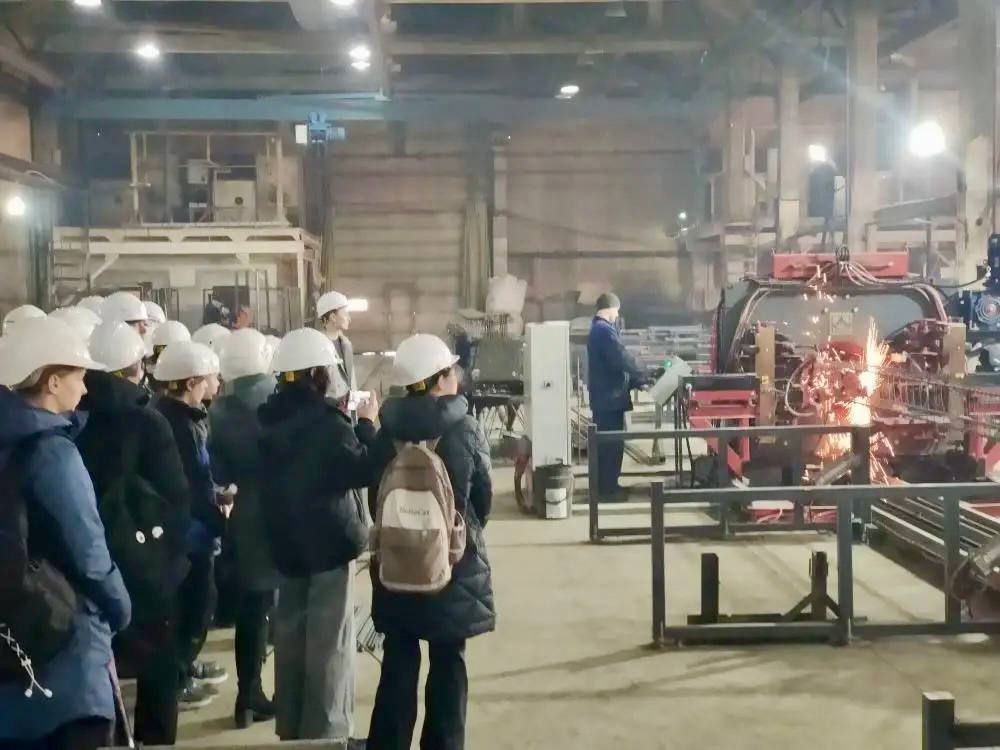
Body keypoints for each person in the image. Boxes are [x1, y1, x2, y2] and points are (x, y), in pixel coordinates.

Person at [0, 317, 132, 750]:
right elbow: (89, 553)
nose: (86, 386)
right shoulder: (53, 454)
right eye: (79, 375)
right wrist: (120, 608)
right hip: (66, 660)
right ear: (52, 382)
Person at [367, 333, 495, 750]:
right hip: (451, 568)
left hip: (396, 565)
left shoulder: (386, 431)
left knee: (398, 661)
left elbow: (375, 496)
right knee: (448, 662)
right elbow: (482, 500)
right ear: (440, 380)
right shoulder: (465, 428)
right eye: (451, 370)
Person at [258, 327, 379, 744]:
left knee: (291, 638)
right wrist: (367, 425)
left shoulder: (267, 419)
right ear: (317, 374)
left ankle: (292, 728)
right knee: (330, 645)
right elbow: (364, 468)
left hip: (285, 546)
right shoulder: (328, 425)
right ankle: (328, 734)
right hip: (327, 546)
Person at [75, 321, 191, 745]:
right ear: (135, 367)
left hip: (88, 562)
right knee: (159, 667)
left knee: (99, 665)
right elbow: (177, 498)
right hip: (147, 564)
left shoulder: (72, 419)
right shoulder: (148, 422)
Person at [154, 341, 231, 710]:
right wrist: (219, 521)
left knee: (194, 605)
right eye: (211, 376)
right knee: (194, 606)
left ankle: (183, 668)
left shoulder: (179, 416)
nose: (217, 381)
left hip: (189, 527)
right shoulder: (179, 426)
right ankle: (177, 680)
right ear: (191, 382)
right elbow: (189, 486)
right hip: (188, 533)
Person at [208, 329, 279, 728]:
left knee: (252, 611)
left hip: (244, 516)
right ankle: (290, 692)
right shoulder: (278, 400)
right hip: (282, 513)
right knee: (287, 610)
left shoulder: (220, 411)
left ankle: (247, 696)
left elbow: (219, 473)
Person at [586, 292, 649, 502]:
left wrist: (635, 381)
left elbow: (614, 366)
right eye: (617, 311)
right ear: (611, 309)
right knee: (610, 446)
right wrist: (643, 374)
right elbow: (620, 358)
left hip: (607, 398)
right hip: (609, 400)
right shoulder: (604, 331)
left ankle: (608, 486)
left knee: (609, 446)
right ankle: (607, 490)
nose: (617, 315)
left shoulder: (599, 329)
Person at [317, 291, 356, 404]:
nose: (349, 318)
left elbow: (351, 381)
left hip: (348, 407)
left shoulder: (346, 344)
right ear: (333, 317)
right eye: (345, 313)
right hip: (329, 409)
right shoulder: (318, 347)